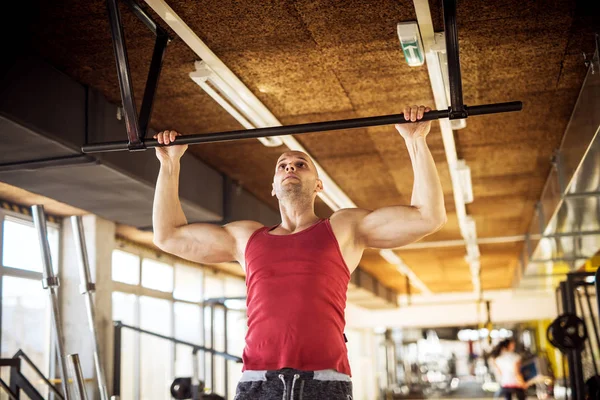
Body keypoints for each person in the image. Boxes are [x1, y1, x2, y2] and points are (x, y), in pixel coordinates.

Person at [152, 105, 446, 400]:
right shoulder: (245, 238)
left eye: (300, 164)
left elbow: (427, 217)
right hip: (257, 381)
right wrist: (169, 164)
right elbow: (168, 236)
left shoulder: (344, 227)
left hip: (324, 380)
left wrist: (416, 140)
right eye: (282, 165)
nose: (290, 167)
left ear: (318, 185)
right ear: (273, 188)